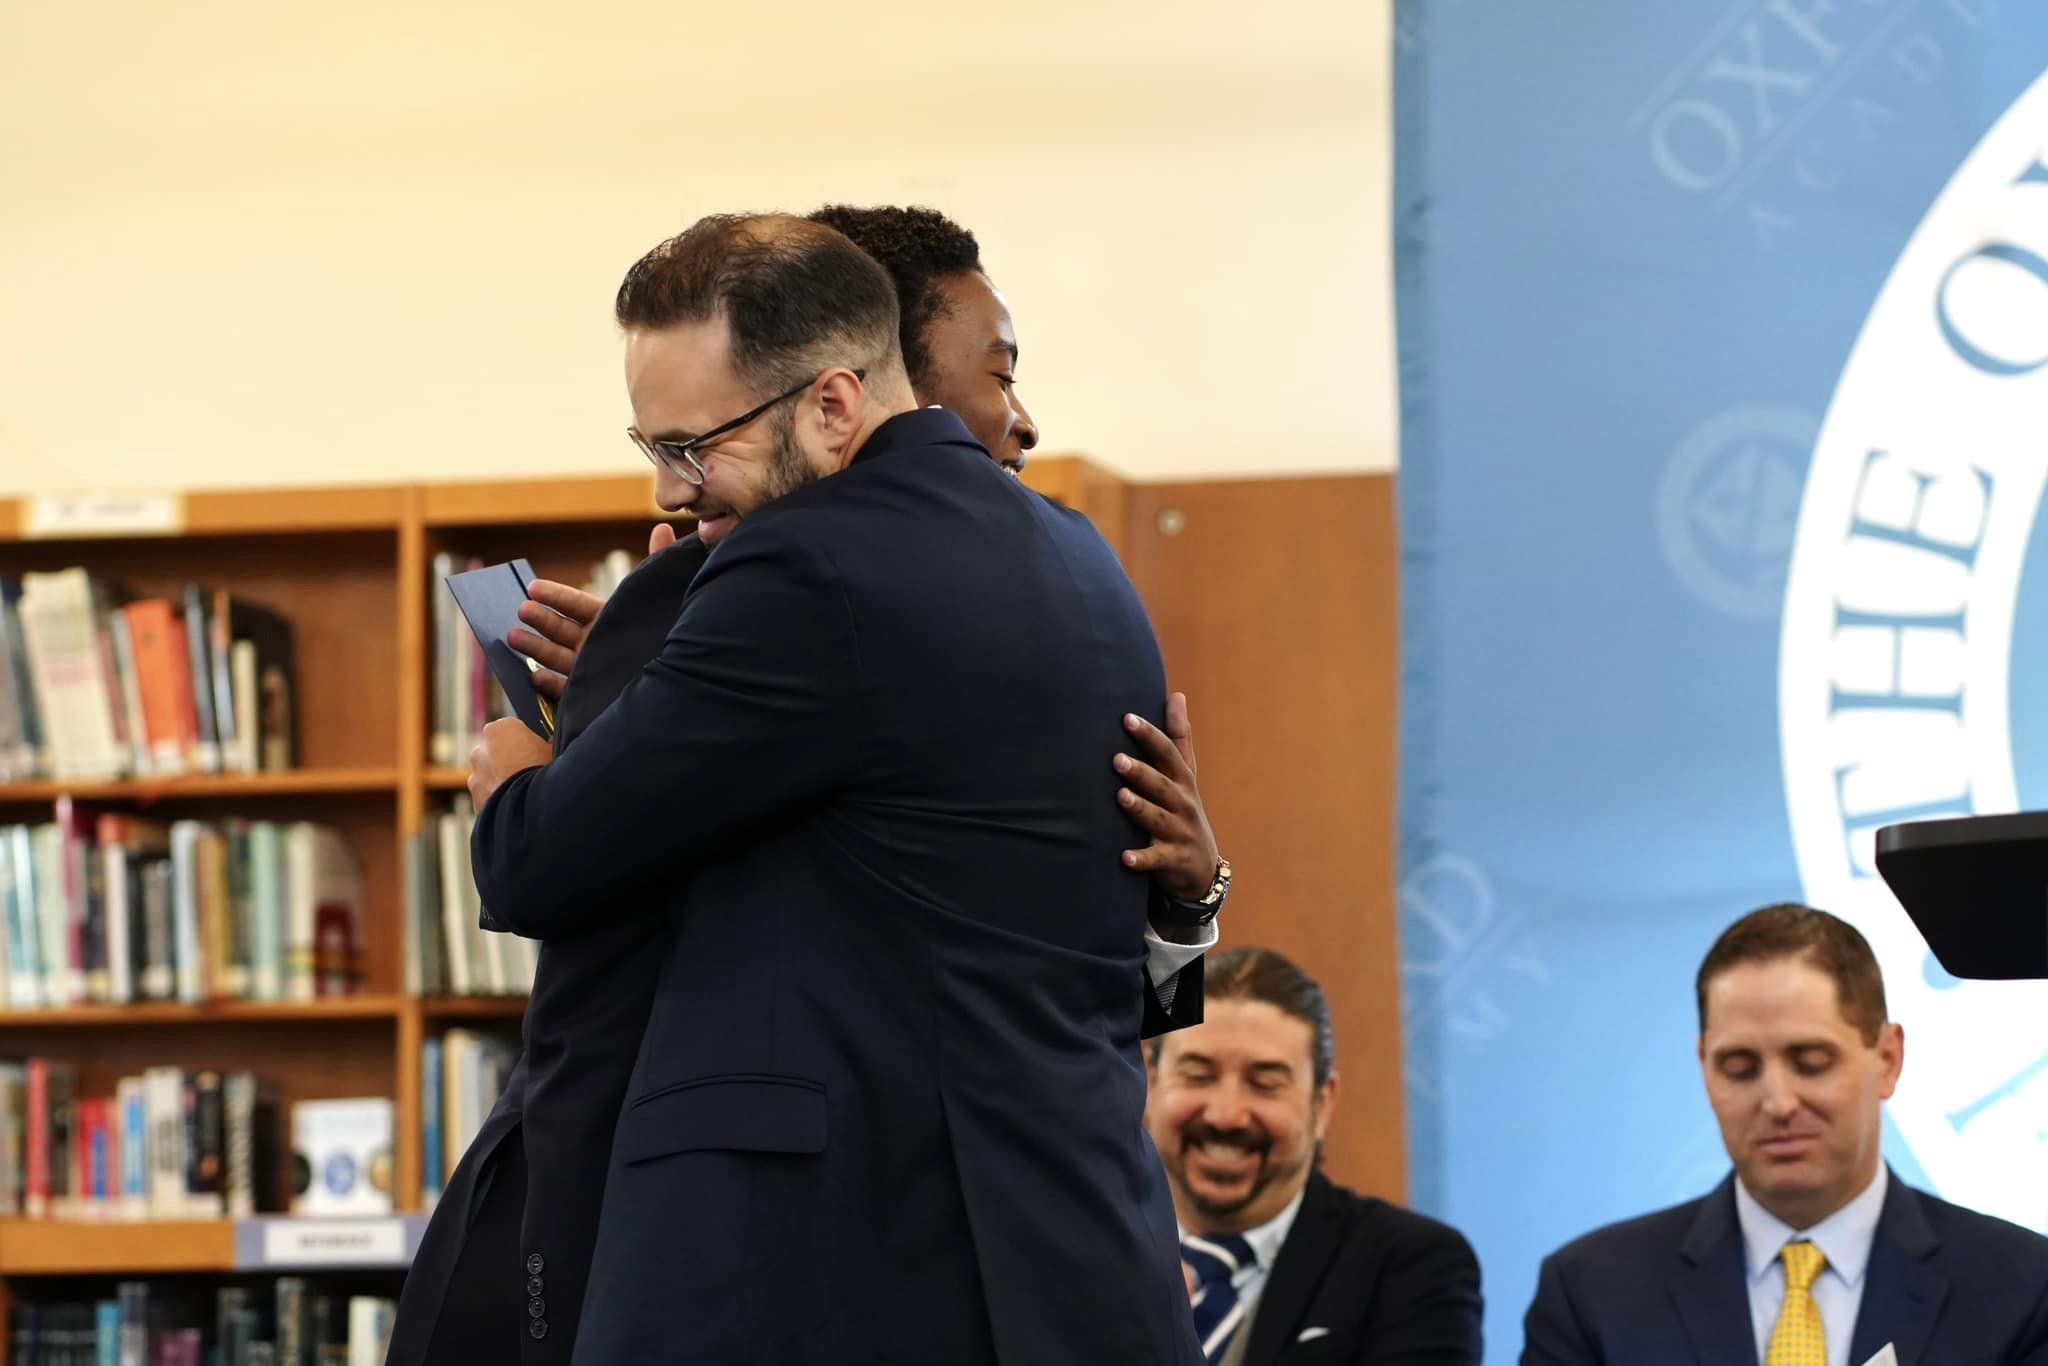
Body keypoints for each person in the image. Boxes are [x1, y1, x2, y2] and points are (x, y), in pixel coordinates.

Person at [385, 208, 1225, 1364]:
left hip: (827, 1270)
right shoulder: (1083, 559)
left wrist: (517, 772)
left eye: (699, 444)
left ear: (836, 401)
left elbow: (552, 886)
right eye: (655, 448)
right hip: (1078, 1255)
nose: (678, 492)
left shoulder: (790, 566)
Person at [1522, 903, 2048, 1366]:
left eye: (1811, 1062)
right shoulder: (1593, 1292)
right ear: (1703, 1067)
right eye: (1739, 1067)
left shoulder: (2020, 1288)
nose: (1777, 1102)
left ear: (1888, 1059)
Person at [1147, 945, 1482, 1365]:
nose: (1226, 1115)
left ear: (1322, 1104)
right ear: (1151, 1082)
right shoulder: (1082, 1254)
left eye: (1265, 1082)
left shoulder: (1411, 1267)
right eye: (1198, 1074)